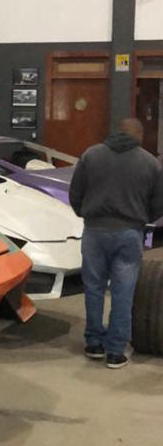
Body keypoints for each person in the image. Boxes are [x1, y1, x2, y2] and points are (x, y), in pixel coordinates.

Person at [69, 118, 163, 369]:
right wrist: (142, 219)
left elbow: (75, 194)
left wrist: (87, 214)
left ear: (117, 132)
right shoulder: (150, 163)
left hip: (94, 232)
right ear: (139, 136)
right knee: (123, 292)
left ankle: (94, 343)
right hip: (129, 233)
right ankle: (115, 351)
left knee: (94, 288)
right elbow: (158, 204)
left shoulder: (90, 155)